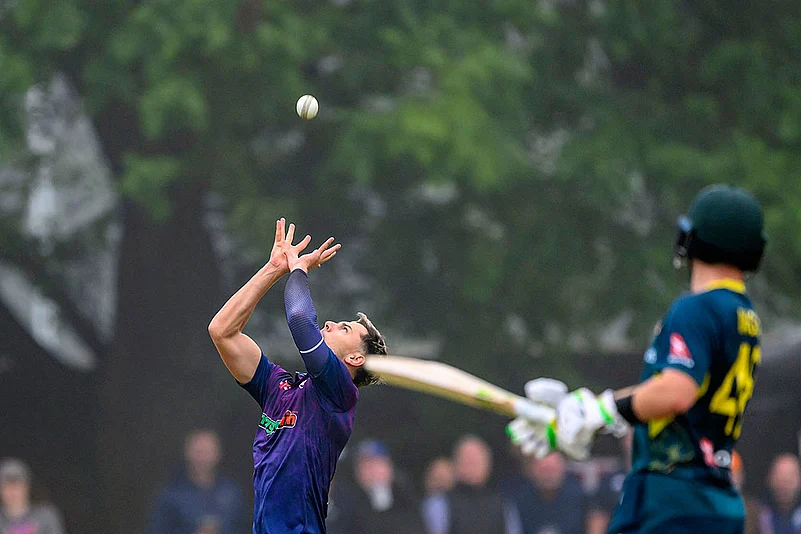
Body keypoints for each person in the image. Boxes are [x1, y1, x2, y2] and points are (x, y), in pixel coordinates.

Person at [508, 184, 767, 533]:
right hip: (712, 496)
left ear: (690, 240)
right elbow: (668, 397)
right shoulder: (743, 313)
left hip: (672, 497)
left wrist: (605, 410)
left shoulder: (696, 308)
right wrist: (596, 417)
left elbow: (677, 390)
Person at [207, 219, 388, 533]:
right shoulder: (280, 388)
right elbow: (222, 331)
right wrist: (274, 268)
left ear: (355, 358)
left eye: (344, 328)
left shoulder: (338, 393)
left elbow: (300, 318)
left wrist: (299, 268)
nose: (331, 323)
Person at [147, 429, 246, 534]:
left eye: (207, 452)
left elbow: (244, 527)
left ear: (218, 453)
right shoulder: (171, 496)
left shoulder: (232, 493)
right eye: (198, 452)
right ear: (187, 453)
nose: (203, 458)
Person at [428, 435, 521, 534]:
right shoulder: (439, 503)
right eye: (467, 460)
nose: (472, 464)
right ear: (455, 464)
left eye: (477, 460)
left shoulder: (504, 505)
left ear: (488, 465)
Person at [331, 439, 425, 534]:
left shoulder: (409, 499)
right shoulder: (345, 506)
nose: (370, 470)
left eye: (375, 463)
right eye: (363, 465)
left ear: (389, 467)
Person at [502, 452, 589, 534]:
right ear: (532, 470)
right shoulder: (518, 500)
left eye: (552, 469)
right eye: (544, 470)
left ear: (563, 467)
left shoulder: (581, 498)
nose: (548, 476)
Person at [0, 458, 65, 534]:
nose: (12, 491)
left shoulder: (45, 516)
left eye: (17, 485)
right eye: (7, 486)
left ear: (27, 486)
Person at [587, 431, 632, 534]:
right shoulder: (609, 481)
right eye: (630, 435)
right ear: (623, 440)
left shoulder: (660, 479)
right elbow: (598, 519)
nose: (634, 440)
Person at [759, 453, 801, 534]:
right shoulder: (757, 514)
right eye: (779, 478)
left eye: (790, 478)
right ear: (769, 479)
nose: (784, 485)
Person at [421, 457, 455, 534]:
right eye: (437, 478)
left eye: (444, 478)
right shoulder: (429, 503)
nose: (440, 482)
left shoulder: (459, 503)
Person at [729, 451, 760, 534]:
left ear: (741, 476)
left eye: (734, 475)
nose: (730, 480)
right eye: (726, 475)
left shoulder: (754, 510)